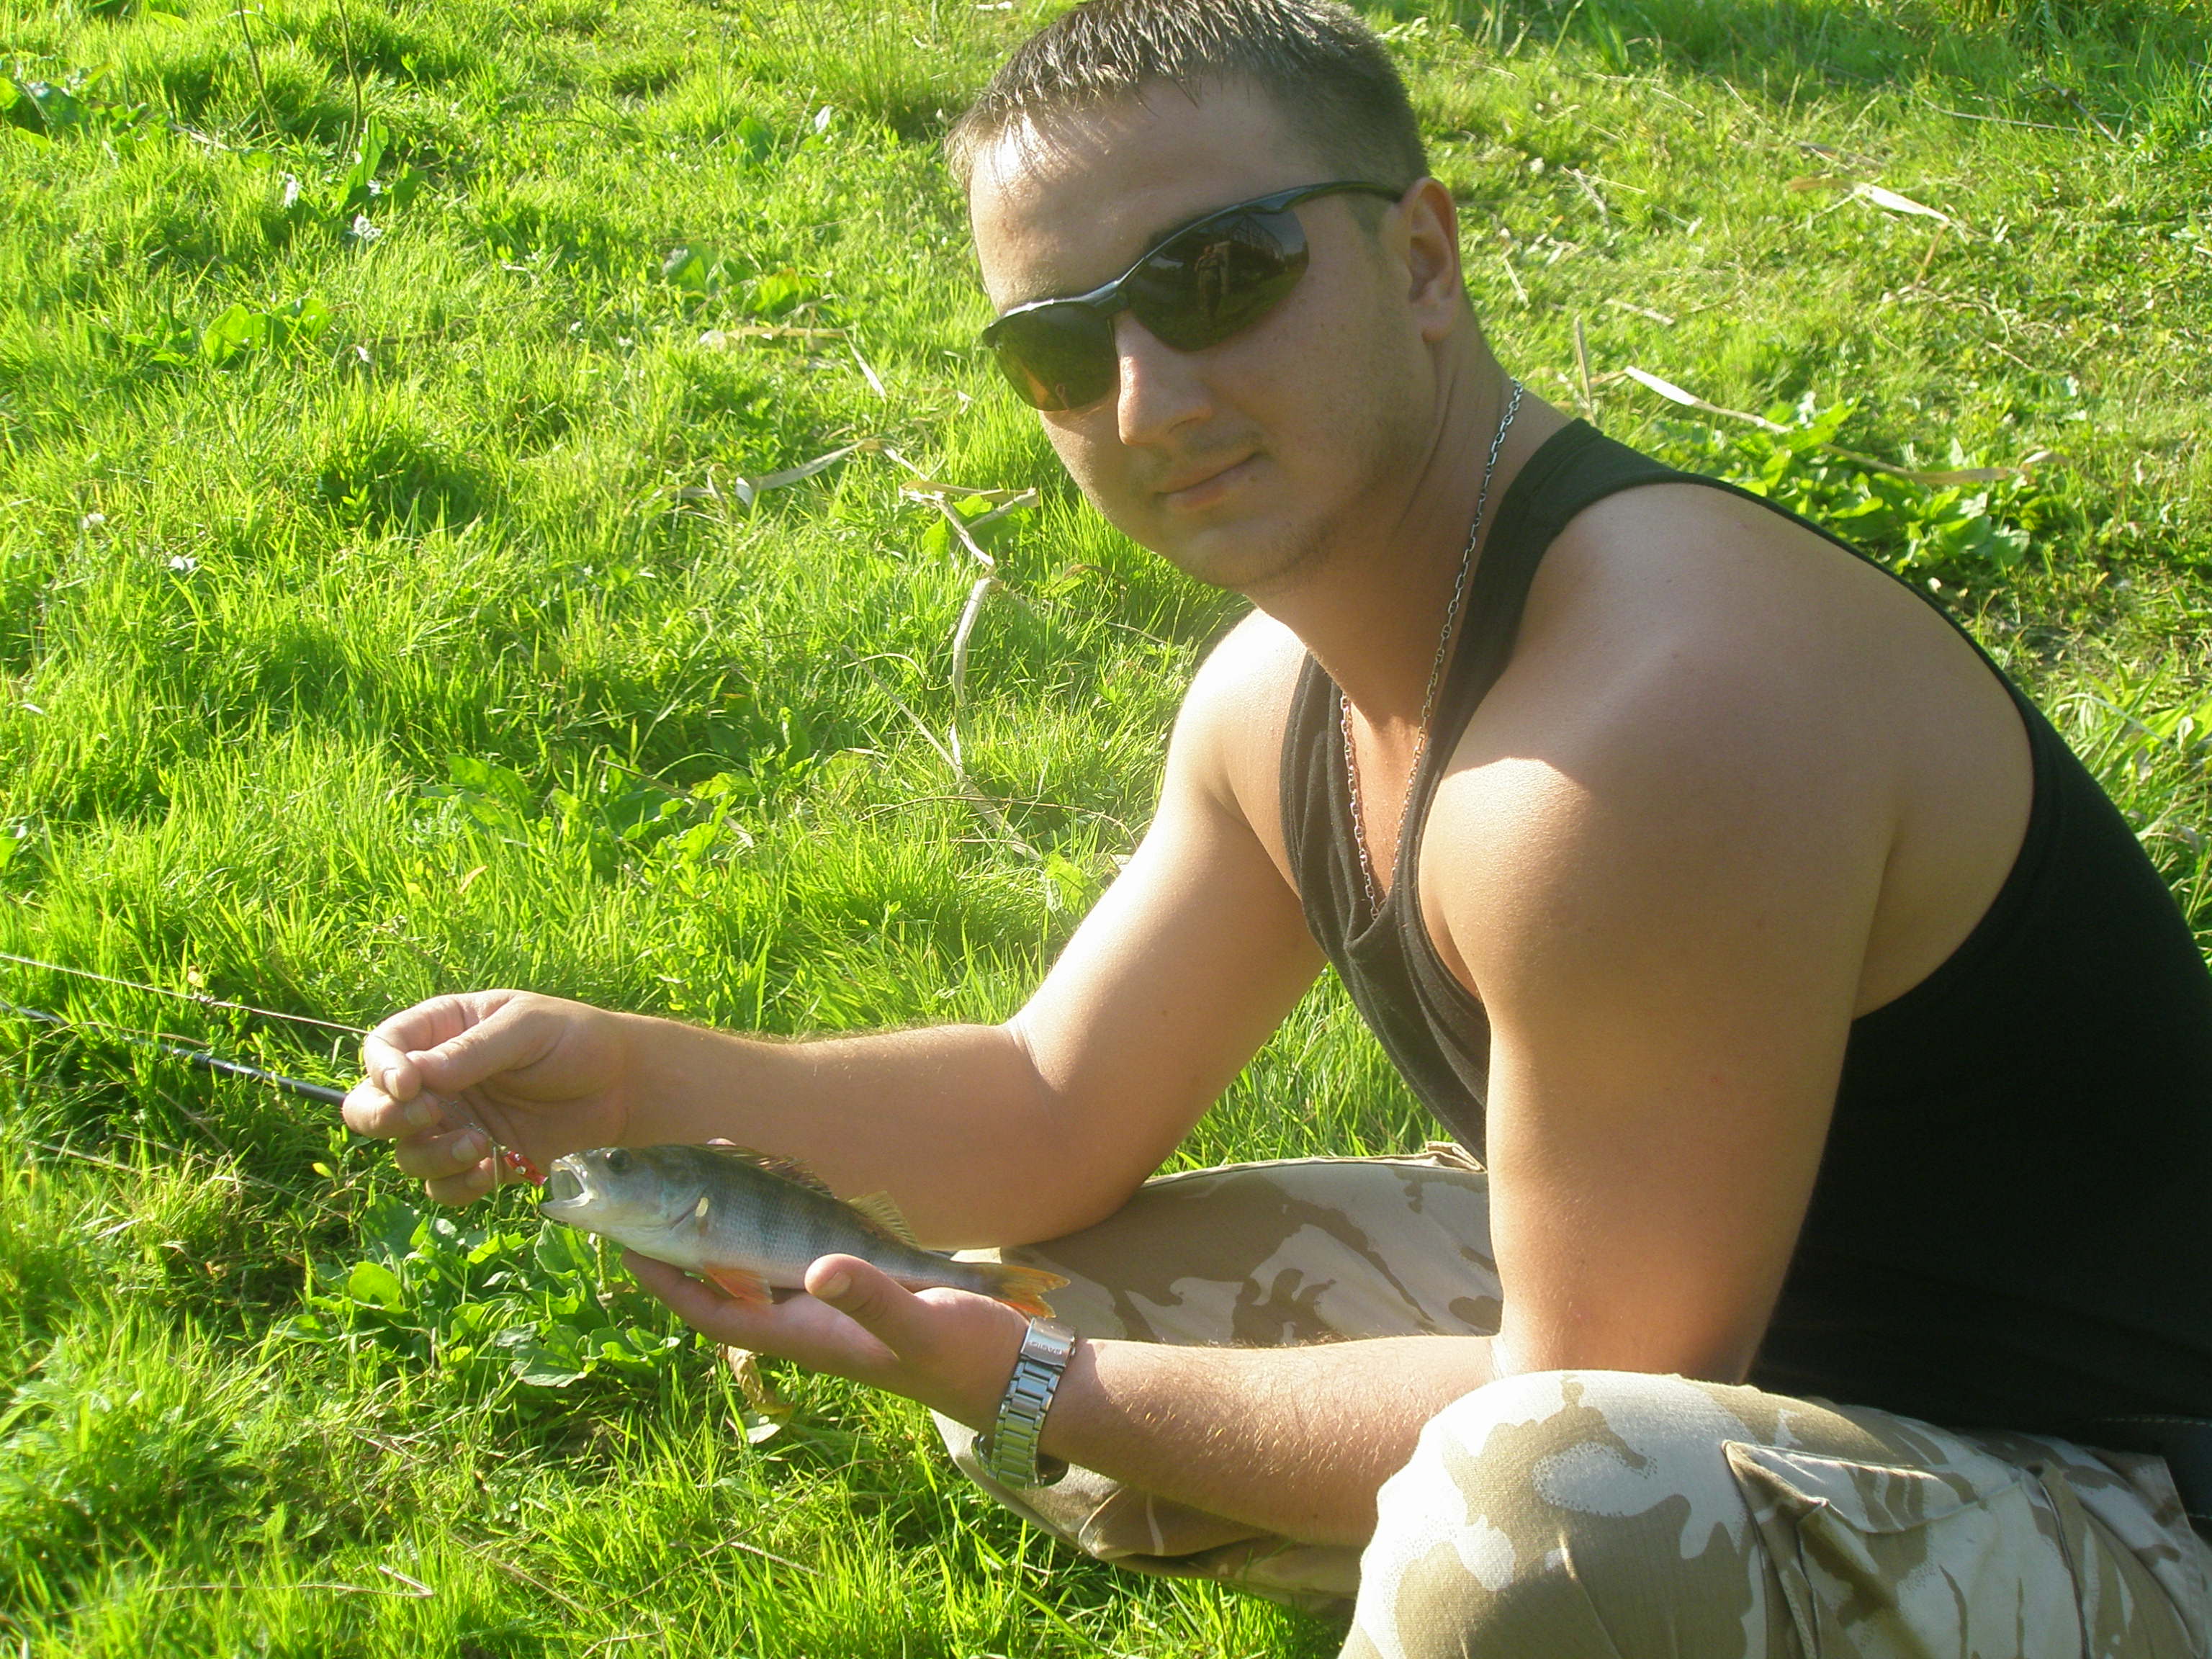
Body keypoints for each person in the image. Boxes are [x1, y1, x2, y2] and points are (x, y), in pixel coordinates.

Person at [341, 1, 2212, 1652]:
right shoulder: (1280, 695)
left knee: (1534, 1516)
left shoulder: (1654, 716)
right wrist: (631, 1082)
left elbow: (1602, 1399)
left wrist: (1047, 1390)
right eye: (1058, 347)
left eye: (1221, 274)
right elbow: (1047, 1112)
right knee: (1048, 1290)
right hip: (1781, 1352)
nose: (1147, 396)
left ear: (1421, 256)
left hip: (2137, 1488)